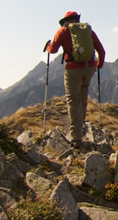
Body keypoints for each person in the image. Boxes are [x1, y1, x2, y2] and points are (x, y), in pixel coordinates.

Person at [45, 11, 105, 149]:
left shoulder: (63, 31)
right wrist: (98, 66)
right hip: (89, 68)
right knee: (82, 96)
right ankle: (80, 129)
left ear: (66, 21)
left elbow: (53, 50)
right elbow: (101, 51)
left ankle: (76, 138)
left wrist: (48, 47)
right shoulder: (88, 31)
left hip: (73, 69)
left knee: (73, 100)